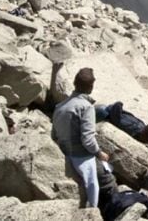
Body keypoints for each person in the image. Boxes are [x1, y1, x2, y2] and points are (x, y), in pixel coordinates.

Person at [52, 68, 109, 208]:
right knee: (106, 180)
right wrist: (99, 153)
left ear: (74, 83)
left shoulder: (59, 107)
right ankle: (95, 212)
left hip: (65, 153)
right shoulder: (86, 107)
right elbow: (87, 139)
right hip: (81, 157)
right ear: (90, 87)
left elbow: (54, 135)